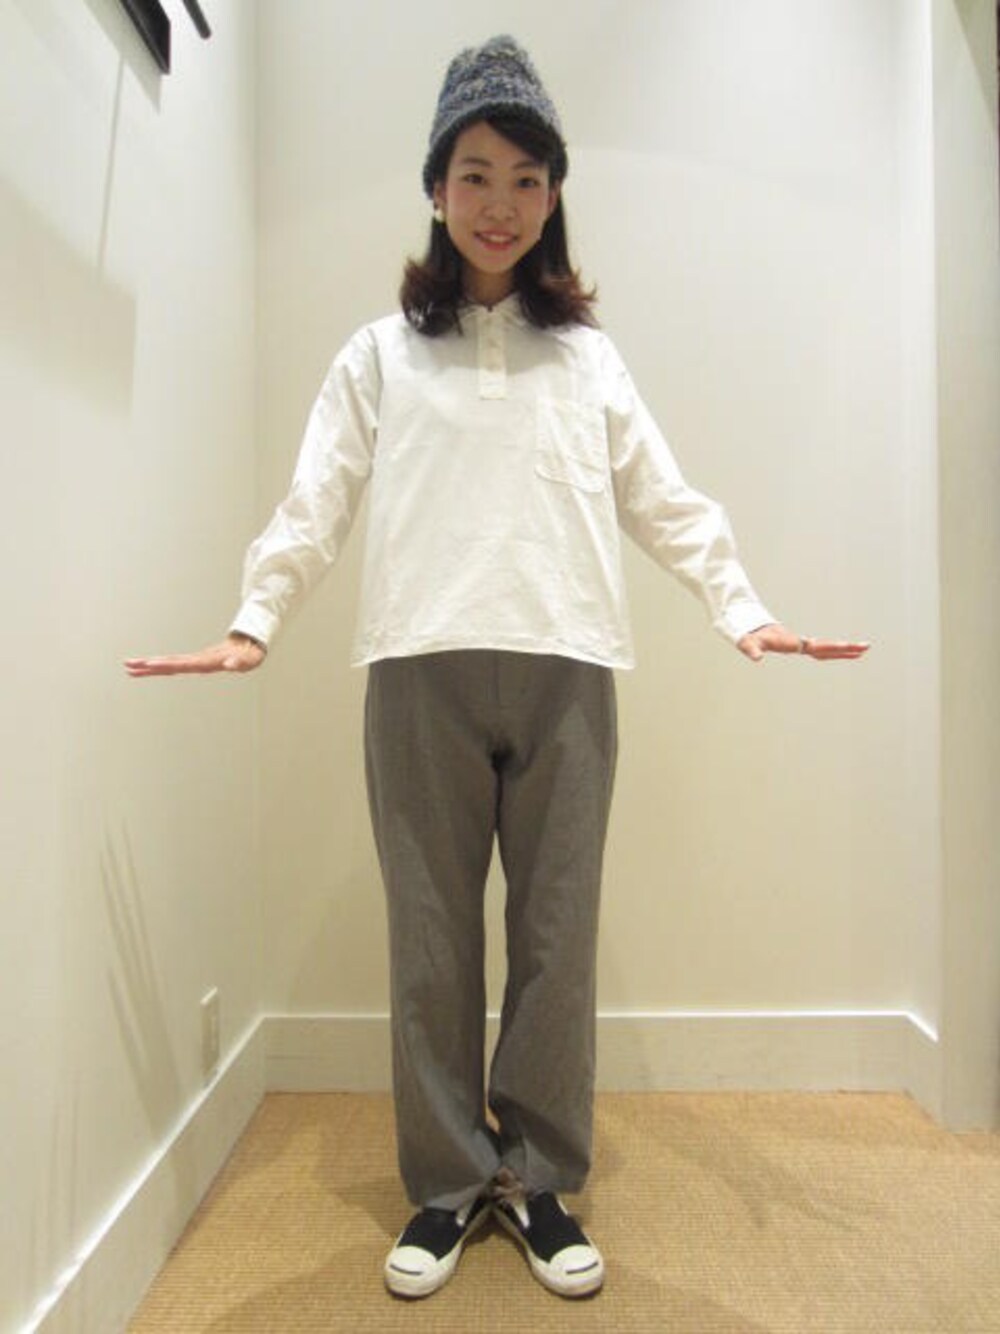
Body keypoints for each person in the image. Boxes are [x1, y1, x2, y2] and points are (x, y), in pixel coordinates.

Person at [126, 35, 869, 1301]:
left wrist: (738, 605)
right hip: (416, 668)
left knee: (554, 939)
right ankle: (442, 1181)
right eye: (475, 173)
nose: (500, 203)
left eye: (528, 178)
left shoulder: (586, 357)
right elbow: (317, 498)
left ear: (553, 195)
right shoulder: (378, 354)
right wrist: (256, 618)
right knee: (429, 945)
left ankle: (536, 1177)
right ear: (435, 187)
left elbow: (661, 494)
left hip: (568, 668)